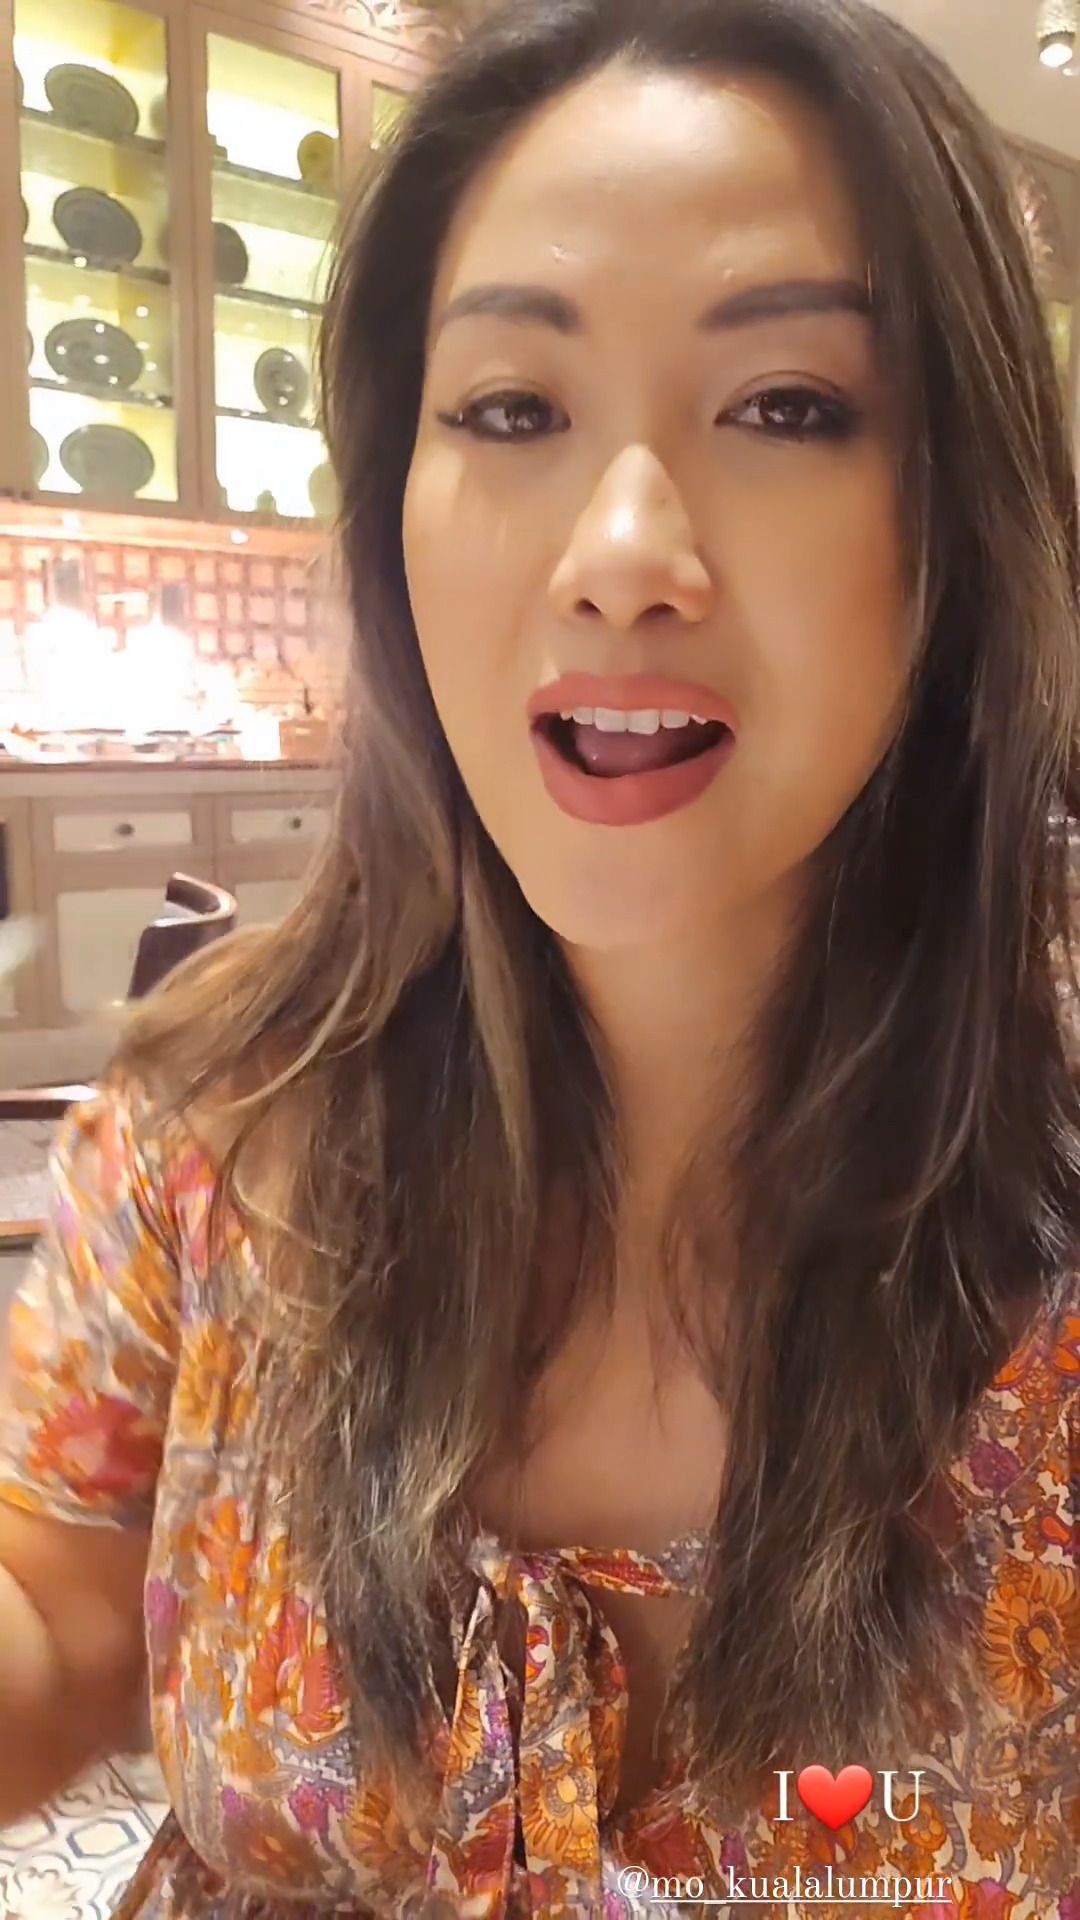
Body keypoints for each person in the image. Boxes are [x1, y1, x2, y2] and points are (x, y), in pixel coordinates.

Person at [1, 0, 1078, 1912]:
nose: (622, 550)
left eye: (787, 408)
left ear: (959, 529)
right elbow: (64, 1609)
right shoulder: (208, 1118)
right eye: (511, 411)